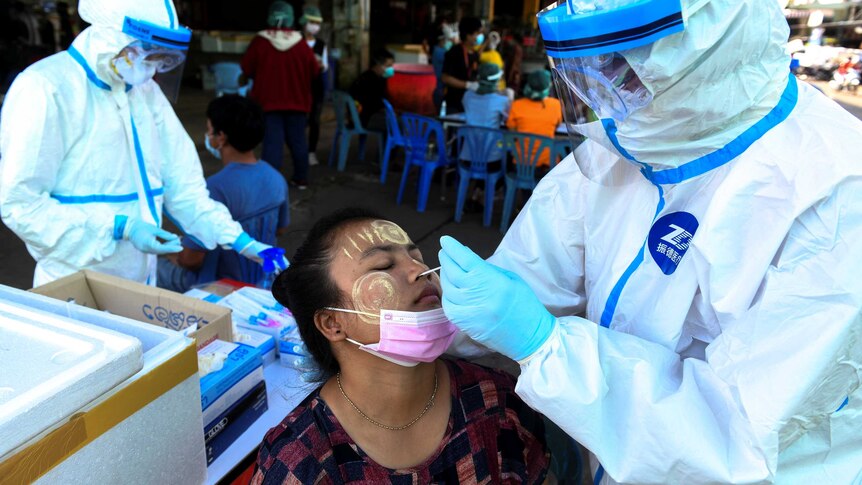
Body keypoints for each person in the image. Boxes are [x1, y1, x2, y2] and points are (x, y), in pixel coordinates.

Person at [438, 0, 862, 483]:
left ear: (703, 47)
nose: (603, 94)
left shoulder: (835, 195)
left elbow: (735, 438)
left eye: (620, 64)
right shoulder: (633, 143)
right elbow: (534, 267)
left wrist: (547, 346)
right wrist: (430, 324)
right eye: (587, 66)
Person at [252, 208, 550, 483]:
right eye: (383, 265)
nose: (419, 270)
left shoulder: (498, 400)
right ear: (332, 323)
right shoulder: (299, 459)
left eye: (417, 256)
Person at [0, 0, 286, 287]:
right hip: (74, 281)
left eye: (161, 59)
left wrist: (242, 242)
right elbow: (21, 204)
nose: (151, 69)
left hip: (141, 278)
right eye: (145, 54)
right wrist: (118, 226)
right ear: (111, 36)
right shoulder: (45, 88)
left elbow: (185, 188)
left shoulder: (144, 92)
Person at [157, 95, 289, 292]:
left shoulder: (213, 188)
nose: (208, 135)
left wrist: (173, 255)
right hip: (263, 278)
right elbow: (280, 229)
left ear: (221, 137)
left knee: (151, 267)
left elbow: (191, 260)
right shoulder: (276, 178)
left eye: (209, 130)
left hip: (216, 284)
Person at [241, 1, 319, 190]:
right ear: (292, 18)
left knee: (272, 145)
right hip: (298, 103)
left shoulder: (260, 42)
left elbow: (247, 68)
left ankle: (271, 185)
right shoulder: (301, 44)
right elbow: (314, 71)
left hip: (268, 104)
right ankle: (301, 179)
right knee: (298, 142)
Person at [506, 70, 563, 171]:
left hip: (519, 165)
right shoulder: (556, 105)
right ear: (548, 87)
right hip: (546, 167)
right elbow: (557, 126)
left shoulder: (516, 105)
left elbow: (512, 131)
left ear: (528, 85)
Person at [299, 6, 326, 167]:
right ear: (304, 22)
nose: (315, 26)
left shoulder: (321, 44)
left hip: (316, 86)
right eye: (312, 22)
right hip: (300, 87)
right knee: (300, 122)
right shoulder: (296, 42)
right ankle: (300, 151)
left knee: (315, 120)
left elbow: (325, 67)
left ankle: (311, 152)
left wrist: (320, 65)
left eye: (317, 23)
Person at [440, 16, 482, 114]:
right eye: (477, 33)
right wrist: (467, 85)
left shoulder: (475, 54)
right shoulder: (454, 52)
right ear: (468, 35)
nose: (479, 37)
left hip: (471, 103)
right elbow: (445, 78)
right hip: (454, 103)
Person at [349, 47, 394, 133]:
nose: (391, 69)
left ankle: (387, 146)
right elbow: (377, 105)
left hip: (355, 119)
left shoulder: (366, 76)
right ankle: (388, 146)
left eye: (392, 66)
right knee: (399, 123)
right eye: (388, 66)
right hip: (365, 120)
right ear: (378, 65)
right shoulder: (373, 81)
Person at [463, 62, 510, 130]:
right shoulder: (502, 101)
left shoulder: (467, 96)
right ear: (496, 82)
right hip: (491, 140)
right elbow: (508, 120)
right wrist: (510, 97)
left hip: (470, 140)